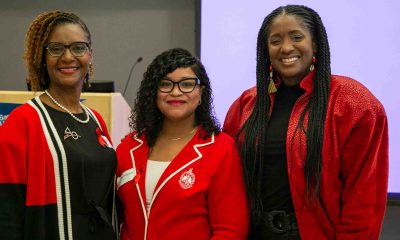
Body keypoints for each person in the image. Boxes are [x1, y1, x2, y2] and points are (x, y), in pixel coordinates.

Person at [223, 5, 388, 240]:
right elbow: (227, 184)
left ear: (316, 44)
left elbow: (365, 199)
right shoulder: (246, 104)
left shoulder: (354, 103)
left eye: (297, 37)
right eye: (276, 40)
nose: (286, 47)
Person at [0, 11, 118, 240]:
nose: (67, 57)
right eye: (56, 49)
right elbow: (6, 213)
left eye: (78, 47)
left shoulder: (95, 120)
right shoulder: (23, 121)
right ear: (42, 57)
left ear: (90, 55)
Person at [116, 48, 249, 240]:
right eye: (165, 84)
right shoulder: (128, 147)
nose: (176, 92)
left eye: (187, 84)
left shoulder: (221, 148)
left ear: (201, 92)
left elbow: (230, 231)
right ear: (153, 92)